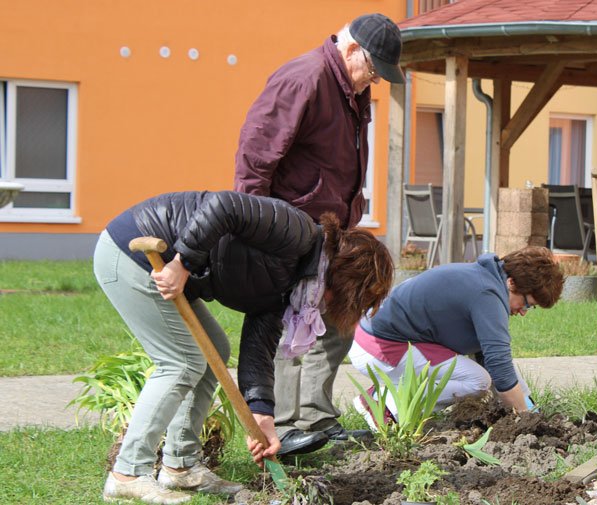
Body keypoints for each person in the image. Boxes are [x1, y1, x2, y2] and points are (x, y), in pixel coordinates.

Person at [94, 190, 393, 504]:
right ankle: (127, 473)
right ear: (343, 278)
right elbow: (224, 207)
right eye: (347, 300)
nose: (331, 309)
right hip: (137, 253)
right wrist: (182, 263)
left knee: (214, 355)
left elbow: (258, 347)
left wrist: (262, 413)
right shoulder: (295, 232)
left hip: (170, 267)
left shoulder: (294, 287)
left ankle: (180, 467)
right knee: (182, 361)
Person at [233, 13, 404, 457]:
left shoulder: (350, 88)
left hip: (332, 233)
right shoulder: (304, 78)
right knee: (293, 323)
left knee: (338, 318)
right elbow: (255, 155)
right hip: (289, 228)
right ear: (351, 51)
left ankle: (316, 417)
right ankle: (286, 424)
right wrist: (255, 228)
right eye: (372, 70)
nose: (373, 82)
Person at [348, 247, 565, 427]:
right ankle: (384, 403)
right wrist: (525, 419)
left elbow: (494, 359)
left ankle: (387, 396)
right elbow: (499, 368)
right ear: (512, 283)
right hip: (381, 347)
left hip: (378, 338)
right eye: (527, 303)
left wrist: (530, 407)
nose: (524, 311)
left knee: (479, 376)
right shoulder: (487, 295)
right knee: (478, 382)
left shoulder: (485, 278)